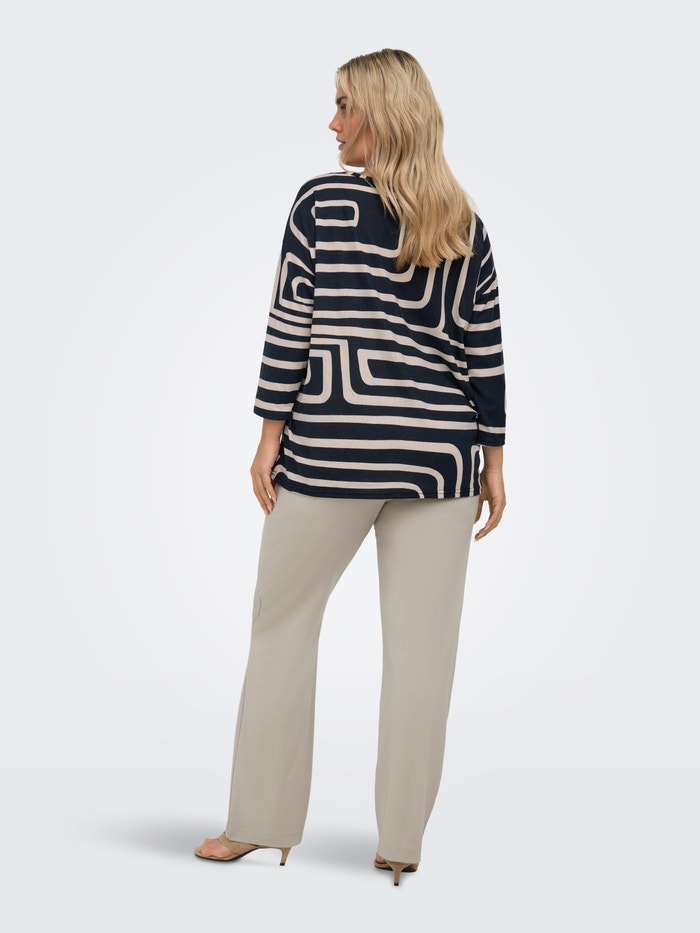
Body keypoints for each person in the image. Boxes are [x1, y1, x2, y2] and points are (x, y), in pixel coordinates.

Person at [195, 48, 506, 886]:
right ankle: (400, 843)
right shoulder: (464, 220)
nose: (331, 123)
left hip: (332, 451)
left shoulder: (322, 203)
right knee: (422, 656)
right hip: (441, 460)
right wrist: (493, 459)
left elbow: (289, 323)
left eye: (344, 106)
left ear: (383, 113)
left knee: (281, 628)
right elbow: (484, 351)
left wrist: (269, 434)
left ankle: (258, 825)